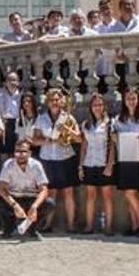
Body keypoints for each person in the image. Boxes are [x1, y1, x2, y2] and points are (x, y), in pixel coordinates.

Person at [32, 88, 81, 232]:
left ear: (61, 102)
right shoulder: (41, 118)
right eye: (52, 100)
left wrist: (68, 130)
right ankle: (48, 224)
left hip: (65, 157)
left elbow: (79, 138)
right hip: (47, 158)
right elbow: (34, 140)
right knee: (50, 193)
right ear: (47, 102)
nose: (55, 102)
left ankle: (71, 225)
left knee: (68, 192)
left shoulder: (68, 117)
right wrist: (50, 140)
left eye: (57, 100)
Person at [0, 139, 55, 239]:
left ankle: (31, 228)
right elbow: (2, 188)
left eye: (24, 151)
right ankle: (9, 228)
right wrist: (15, 205)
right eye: (17, 151)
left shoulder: (36, 165)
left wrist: (35, 206)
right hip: (14, 198)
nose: (20, 154)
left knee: (50, 203)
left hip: (31, 198)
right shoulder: (8, 165)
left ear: (29, 153)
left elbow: (44, 189)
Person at [113, 87, 139, 237]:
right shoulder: (118, 119)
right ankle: (135, 226)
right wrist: (115, 138)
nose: (131, 101)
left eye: (134, 98)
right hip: (124, 157)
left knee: (130, 193)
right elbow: (114, 136)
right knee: (128, 194)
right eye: (128, 98)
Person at [78, 94, 115, 235]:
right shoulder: (86, 124)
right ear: (91, 107)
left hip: (103, 163)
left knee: (107, 196)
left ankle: (109, 226)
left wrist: (110, 165)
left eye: (100, 105)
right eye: (95, 105)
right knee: (90, 195)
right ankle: (89, 226)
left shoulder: (110, 123)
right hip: (89, 162)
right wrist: (80, 165)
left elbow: (112, 145)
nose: (97, 108)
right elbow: (84, 146)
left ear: (104, 106)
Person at [0, 71, 21, 158]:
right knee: (4, 155)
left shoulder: (21, 96)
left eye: (14, 80)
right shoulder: (0, 97)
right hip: (4, 125)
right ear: (5, 83)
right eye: (9, 80)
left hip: (18, 126)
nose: (12, 82)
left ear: (18, 82)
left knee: (16, 154)